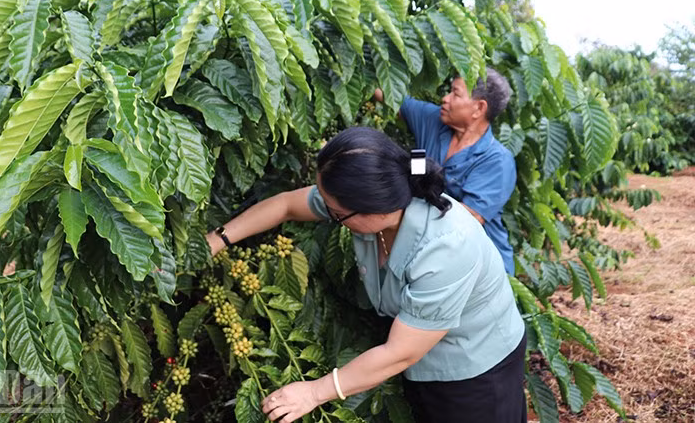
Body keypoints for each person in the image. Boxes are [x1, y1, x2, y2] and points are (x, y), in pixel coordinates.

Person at [206, 127, 527, 422]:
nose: (328, 213)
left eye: (336, 213)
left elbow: (401, 353)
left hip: (475, 370)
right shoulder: (369, 202)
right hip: (418, 354)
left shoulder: (448, 248)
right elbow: (287, 205)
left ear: (375, 210)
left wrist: (314, 392)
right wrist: (218, 239)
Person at [374, 68, 517, 274]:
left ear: (479, 108)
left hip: (480, 268)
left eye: (455, 93)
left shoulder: (497, 161)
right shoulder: (434, 121)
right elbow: (389, 96)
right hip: (429, 254)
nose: (445, 98)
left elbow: (468, 219)